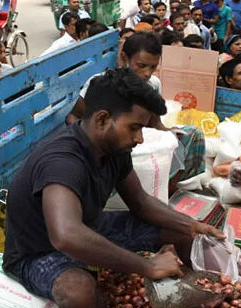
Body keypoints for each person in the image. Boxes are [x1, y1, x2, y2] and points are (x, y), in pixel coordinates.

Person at [3, 68, 225, 308]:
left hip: (90, 226)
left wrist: (191, 224)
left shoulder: (113, 149)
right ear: (102, 119)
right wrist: (147, 267)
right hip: (38, 251)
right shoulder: (62, 161)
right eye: (134, 128)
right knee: (79, 294)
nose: (139, 138)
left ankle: (194, 298)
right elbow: (65, 235)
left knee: (184, 233)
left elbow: (140, 202)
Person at [73, 33, 206, 190]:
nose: (147, 73)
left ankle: (170, 190)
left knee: (192, 135)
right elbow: (75, 116)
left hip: (141, 136)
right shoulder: (103, 82)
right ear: (125, 58)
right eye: (141, 65)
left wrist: (170, 134)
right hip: (112, 140)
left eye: (153, 67)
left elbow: (156, 123)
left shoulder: (153, 84)